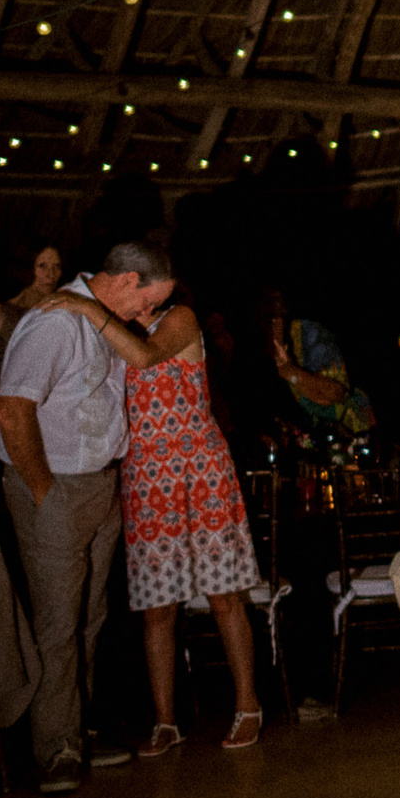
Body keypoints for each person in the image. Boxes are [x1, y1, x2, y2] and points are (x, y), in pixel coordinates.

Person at [41, 276, 266, 755]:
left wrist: (87, 310)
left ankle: (248, 704)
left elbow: (145, 358)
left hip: (199, 468)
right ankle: (166, 721)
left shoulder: (179, 321)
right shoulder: (115, 331)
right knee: (157, 608)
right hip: (144, 474)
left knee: (224, 595)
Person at [0, 242, 176, 794]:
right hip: (56, 485)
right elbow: (11, 410)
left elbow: (139, 362)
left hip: (99, 482)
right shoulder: (54, 324)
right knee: (56, 625)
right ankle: (55, 748)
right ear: (124, 282)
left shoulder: (96, 318)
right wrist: (44, 491)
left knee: (89, 620)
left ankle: (78, 729)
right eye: (147, 303)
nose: (147, 317)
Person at [256, 286, 375, 439]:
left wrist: (291, 373)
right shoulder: (253, 347)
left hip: (349, 435)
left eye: (275, 304)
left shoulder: (310, 335)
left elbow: (336, 393)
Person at [0, 242, 64, 424]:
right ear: (28, 267)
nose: (50, 274)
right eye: (42, 266)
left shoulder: (64, 310)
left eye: (56, 267)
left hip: (53, 412)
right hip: (12, 413)